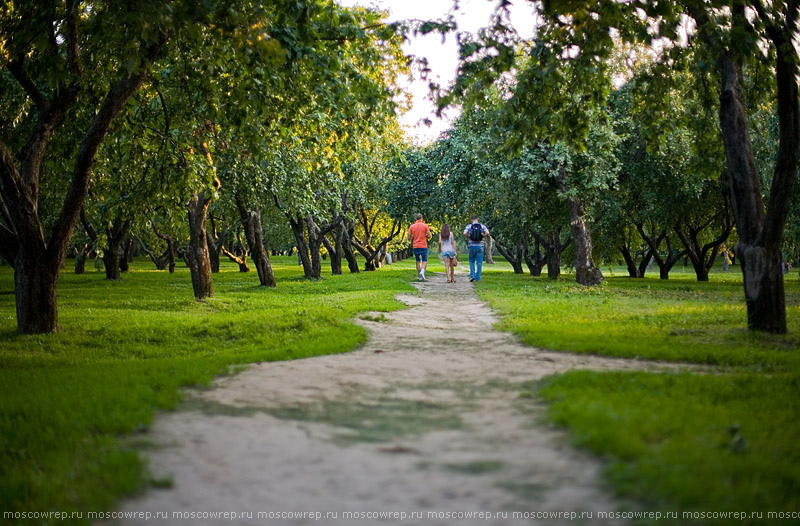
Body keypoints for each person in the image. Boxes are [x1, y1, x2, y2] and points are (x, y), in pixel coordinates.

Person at [463, 215, 489, 282]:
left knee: (471, 261)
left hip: (471, 245)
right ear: (477, 219)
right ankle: (478, 278)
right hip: (480, 246)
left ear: (471, 219)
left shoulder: (469, 226)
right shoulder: (482, 226)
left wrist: (469, 237)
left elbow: (464, 233)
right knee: (479, 262)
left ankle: (472, 276)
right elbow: (487, 233)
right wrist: (482, 236)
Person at [408, 213, 432, 281]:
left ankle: (420, 276)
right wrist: (425, 237)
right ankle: (422, 272)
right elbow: (429, 236)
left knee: (418, 261)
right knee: (424, 260)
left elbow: (409, 237)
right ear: (422, 219)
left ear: (416, 219)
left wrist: (413, 237)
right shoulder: (425, 226)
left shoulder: (412, 226)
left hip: (415, 246)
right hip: (423, 245)